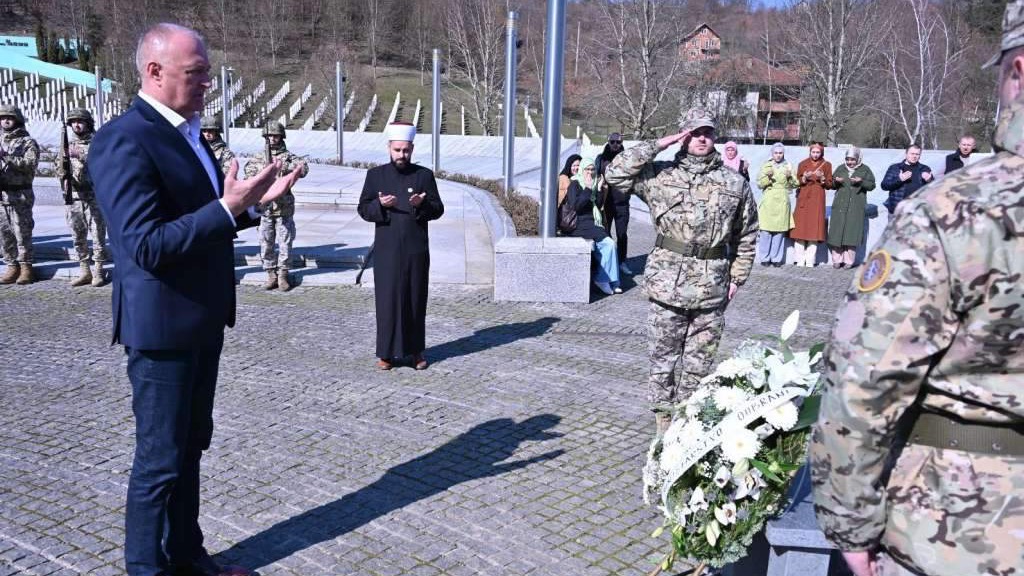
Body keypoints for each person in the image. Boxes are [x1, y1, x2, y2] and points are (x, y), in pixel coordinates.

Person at [810, 1, 1024, 574]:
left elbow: (864, 377)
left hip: (966, 525)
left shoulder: (954, 210)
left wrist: (849, 525)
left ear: (1019, 71)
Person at [88, 23, 299, 576]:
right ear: (154, 73)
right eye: (196, 72)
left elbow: (203, 217)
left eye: (206, 71)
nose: (208, 82)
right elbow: (145, 244)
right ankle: (146, 569)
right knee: (159, 463)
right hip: (161, 330)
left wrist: (250, 205)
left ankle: (186, 557)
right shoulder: (124, 139)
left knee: (190, 450)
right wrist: (227, 210)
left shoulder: (190, 134)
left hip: (202, 321)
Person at [605, 108, 758, 433]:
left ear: (715, 137)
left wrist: (738, 277)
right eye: (694, 132)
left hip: (712, 289)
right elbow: (615, 173)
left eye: (708, 132)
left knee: (699, 365)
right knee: (663, 362)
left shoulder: (734, 183)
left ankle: (687, 425)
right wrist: (659, 143)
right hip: (667, 287)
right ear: (683, 136)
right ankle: (663, 424)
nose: (702, 138)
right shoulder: (660, 176)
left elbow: (747, 233)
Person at [357, 122, 444, 371]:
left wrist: (420, 205)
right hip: (387, 250)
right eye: (397, 150)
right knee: (387, 301)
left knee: (415, 299)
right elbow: (363, 209)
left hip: (416, 250)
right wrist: (381, 206)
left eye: (405, 151)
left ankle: (416, 352)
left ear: (412, 149)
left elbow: (438, 209)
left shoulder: (423, 175)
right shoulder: (375, 175)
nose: (401, 155)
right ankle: (386, 353)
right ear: (389, 148)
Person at [244, 122, 308, 291]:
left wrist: (284, 168)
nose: (273, 139)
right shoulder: (258, 157)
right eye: (269, 136)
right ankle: (271, 273)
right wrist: (263, 171)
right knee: (266, 242)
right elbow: (248, 175)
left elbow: (303, 168)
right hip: (265, 207)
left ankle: (283, 274)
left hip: (284, 207)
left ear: (281, 137)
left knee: (285, 241)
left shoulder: (288, 157)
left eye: (276, 136)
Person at [58, 108, 108, 287]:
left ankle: (99, 271)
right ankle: (84, 270)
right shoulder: (67, 144)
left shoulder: (98, 142)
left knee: (97, 235)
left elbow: (104, 162)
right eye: (73, 122)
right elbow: (60, 169)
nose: (77, 125)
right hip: (75, 196)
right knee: (78, 235)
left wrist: (80, 154)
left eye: (80, 121)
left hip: (94, 196)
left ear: (88, 123)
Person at [565, 157, 620, 295]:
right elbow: (576, 206)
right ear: (582, 170)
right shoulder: (575, 184)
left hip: (593, 223)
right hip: (580, 224)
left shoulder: (594, 183)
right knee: (609, 244)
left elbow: (598, 205)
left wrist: (599, 189)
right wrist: (588, 189)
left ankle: (611, 281)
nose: (590, 172)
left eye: (592, 169)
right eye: (587, 169)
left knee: (609, 245)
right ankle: (604, 279)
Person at [0, 104, 40, 285]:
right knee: (5, 233)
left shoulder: (27, 142)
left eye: (9, 117)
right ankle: (11, 265)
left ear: (17, 120)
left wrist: (6, 156)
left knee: (22, 233)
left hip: (20, 194)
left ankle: (26, 267)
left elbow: (30, 165)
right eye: (2, 118)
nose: (5, 121)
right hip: (2, 194)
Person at [826, 146, 875, 269]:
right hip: (840, 206)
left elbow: (872, 185)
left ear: (858, 159)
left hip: (855, 207)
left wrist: (861, 181)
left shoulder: (865, 169)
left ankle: (849, 261)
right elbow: (831, 184)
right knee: (837, 233)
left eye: (853, 159)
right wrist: (836, 181)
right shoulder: (840, 168)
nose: (850, 162)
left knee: (851, 234)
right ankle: (837, 260)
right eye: (848, 159)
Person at [756, 143, 798, 266]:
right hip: (769, 199)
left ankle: (776, 258)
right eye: (776, 153)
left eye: (780, 153)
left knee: (779, 231)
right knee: (766, 231)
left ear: (783, 153)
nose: (778, 155)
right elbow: (759, 184)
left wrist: (790, 177)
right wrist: (767, 178)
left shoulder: (788, 166)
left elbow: (796, 184)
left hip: (782, 199)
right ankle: (764, 258)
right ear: (772, 153)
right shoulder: (766, 165)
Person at [791, 142, 832, 267]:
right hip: (804, 198)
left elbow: (830, 184)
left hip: (817, 199)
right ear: (810, 152)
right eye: (813, 152)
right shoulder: (802, 164)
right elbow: (797, 182)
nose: (815, 155)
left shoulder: (827, 165)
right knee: (800, 230)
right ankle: (799, 259)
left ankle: (810, 259)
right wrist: (804, 177)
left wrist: (823, 178)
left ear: (821, 153)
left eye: (817, 152)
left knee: (814, 230)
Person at [596, 133, 632, 275]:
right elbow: (596, 176)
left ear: (622, 142)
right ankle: (608, 261)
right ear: (608, 142)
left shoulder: (627, 158)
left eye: (618, 142)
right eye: (612, 142)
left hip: (622, 203)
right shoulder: (601, 158)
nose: (615, 144)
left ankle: (622, 261)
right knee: (605, 233)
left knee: (622, 234)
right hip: (606, 202)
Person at [880, 144, 932, 214]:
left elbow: (934, 187)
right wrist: (900, 179)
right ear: (906, 154)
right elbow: (884, 185)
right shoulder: (895, 167)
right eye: (912, 153)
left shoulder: (924, 168)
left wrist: (929, 180)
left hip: (917, 210)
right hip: (898, 209)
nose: (914, 156)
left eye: (917, 154)